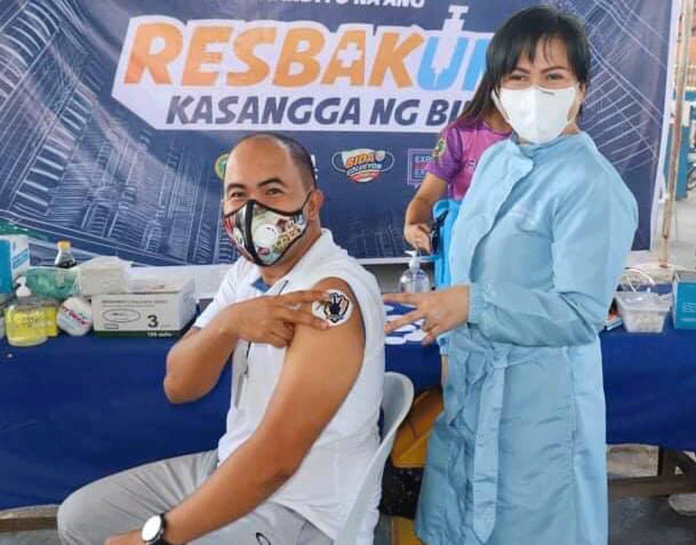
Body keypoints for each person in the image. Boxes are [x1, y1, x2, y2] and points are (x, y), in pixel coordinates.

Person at [385, 7, 638, 545]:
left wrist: (474, 305)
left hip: (540, 409)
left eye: (553, 77)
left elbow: (579, 313)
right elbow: (470, 260)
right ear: (497, 91)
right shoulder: (499, 161)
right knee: (463, 525)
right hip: (474, 392)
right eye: (517, 77)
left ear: (581, 89)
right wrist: (449, 323)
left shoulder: (592, 185)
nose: (534, 92)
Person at [57, 133, 386, 545]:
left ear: (313, 202)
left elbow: (276, 462)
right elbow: (179, 386)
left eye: (272, 190)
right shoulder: (246, 275)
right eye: (238, 194)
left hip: (302, 509)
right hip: (231, 465)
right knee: (80, 519)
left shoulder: (327, 295)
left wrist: (158, 539)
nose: (254, 210)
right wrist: (228, 323)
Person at [403, 73, 511, 254]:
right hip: (466, 243)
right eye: (518, 78)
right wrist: (412, 227)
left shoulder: (543, 137)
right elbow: (426, 197)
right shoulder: (460, 133)